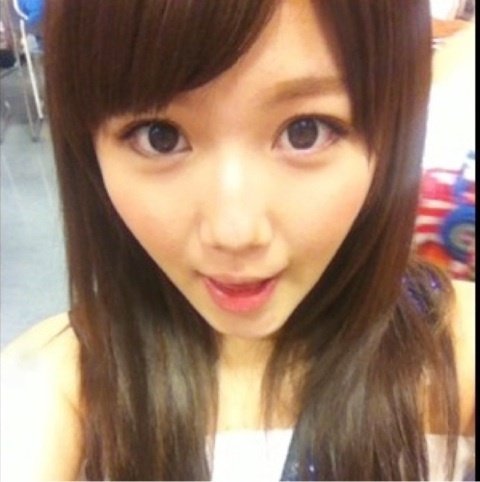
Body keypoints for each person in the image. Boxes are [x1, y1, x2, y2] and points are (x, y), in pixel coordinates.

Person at [0, 0, 475, 480]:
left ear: (393, 131)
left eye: (305, 132)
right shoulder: (58, 382)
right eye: (160, 137)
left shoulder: (459, 350)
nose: (235, 233)